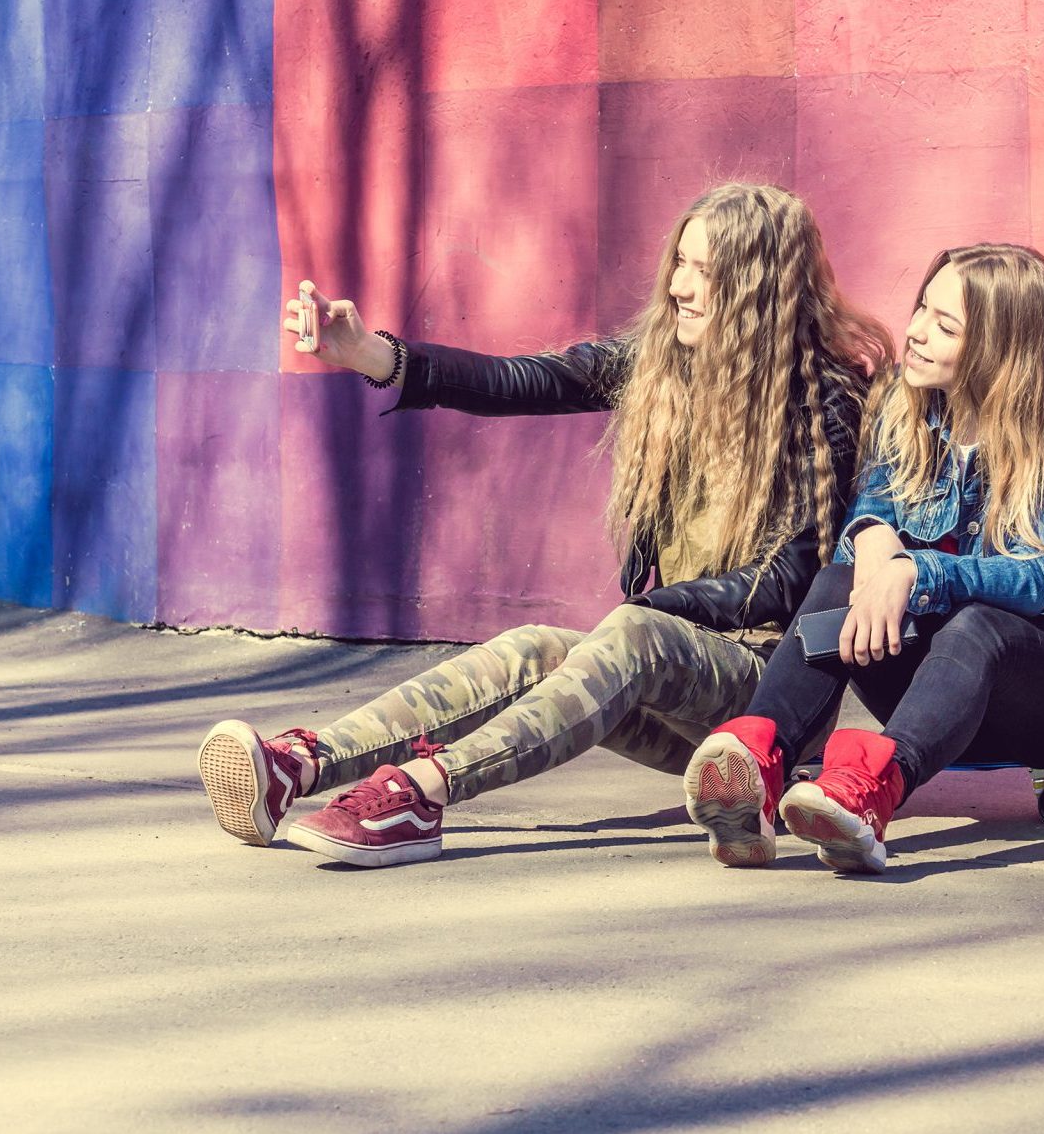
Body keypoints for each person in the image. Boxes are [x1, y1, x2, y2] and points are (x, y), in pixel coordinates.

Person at [195, 183, 890, 866]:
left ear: (756, 287)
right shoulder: (662, 364)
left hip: (761, 697)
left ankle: (419, 792)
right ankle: (305, 763)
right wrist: (373, 355)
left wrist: (648, 611)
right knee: (534, 646)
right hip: (666, 666)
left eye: (704, 271)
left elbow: (786, 580)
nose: (679, 284)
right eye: (680, 260)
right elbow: (525, 380)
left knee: (633, 633)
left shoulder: (822, 400)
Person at [679, 243, 1044, 873]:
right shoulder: (904, 408)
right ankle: (758, 767)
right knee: (839, 579)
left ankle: (868, 794)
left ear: (1001, 348)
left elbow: (1035, 577)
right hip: (936, 690)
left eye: (946, 325)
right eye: (921, 310)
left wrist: (917, 569)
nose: (914, 333)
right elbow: (873, 509)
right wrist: (873, 537)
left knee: (979, 622)